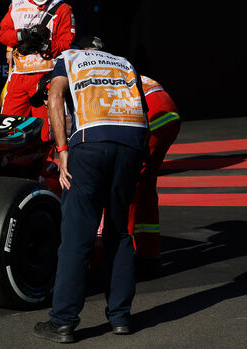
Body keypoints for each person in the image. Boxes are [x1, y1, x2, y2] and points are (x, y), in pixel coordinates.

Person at [34, 36, 149, 343]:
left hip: (90, 143)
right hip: (131, 142)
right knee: (119, 230)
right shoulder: (124, 63)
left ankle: (62, 321)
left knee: (77, 233)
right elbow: (143, 107)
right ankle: (121, 318)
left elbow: (55, 97)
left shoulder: (69, 58)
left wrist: (61, 150)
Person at [0, 0, 75, 141]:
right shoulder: (16, 4)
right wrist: (22, 35)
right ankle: (9, 159)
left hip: (47, 78)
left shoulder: (62, 8)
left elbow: (67, 44)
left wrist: (45, 44)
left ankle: (48, 161)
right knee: (7, 129)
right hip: (19, 76)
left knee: (47, 134)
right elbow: (3, 35)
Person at [129, 75, 180, 273]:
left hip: (151, 113)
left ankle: (119, 258)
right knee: (145, 183)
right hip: (168, 110)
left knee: (127, 184)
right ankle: (148, 254)